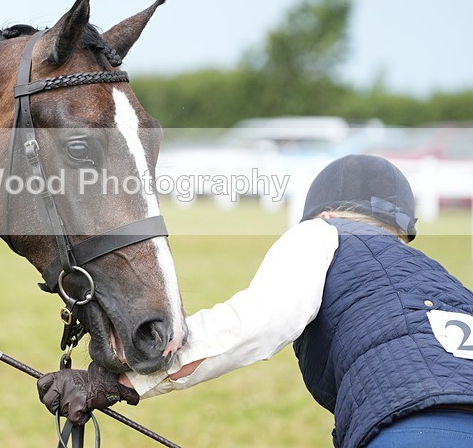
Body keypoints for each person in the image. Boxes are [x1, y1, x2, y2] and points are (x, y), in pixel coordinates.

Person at [38, 154, 473, 447]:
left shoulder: (322, 234)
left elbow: (253, 326)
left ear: (323, 210)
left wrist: (113, 383)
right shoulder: (445, 279)